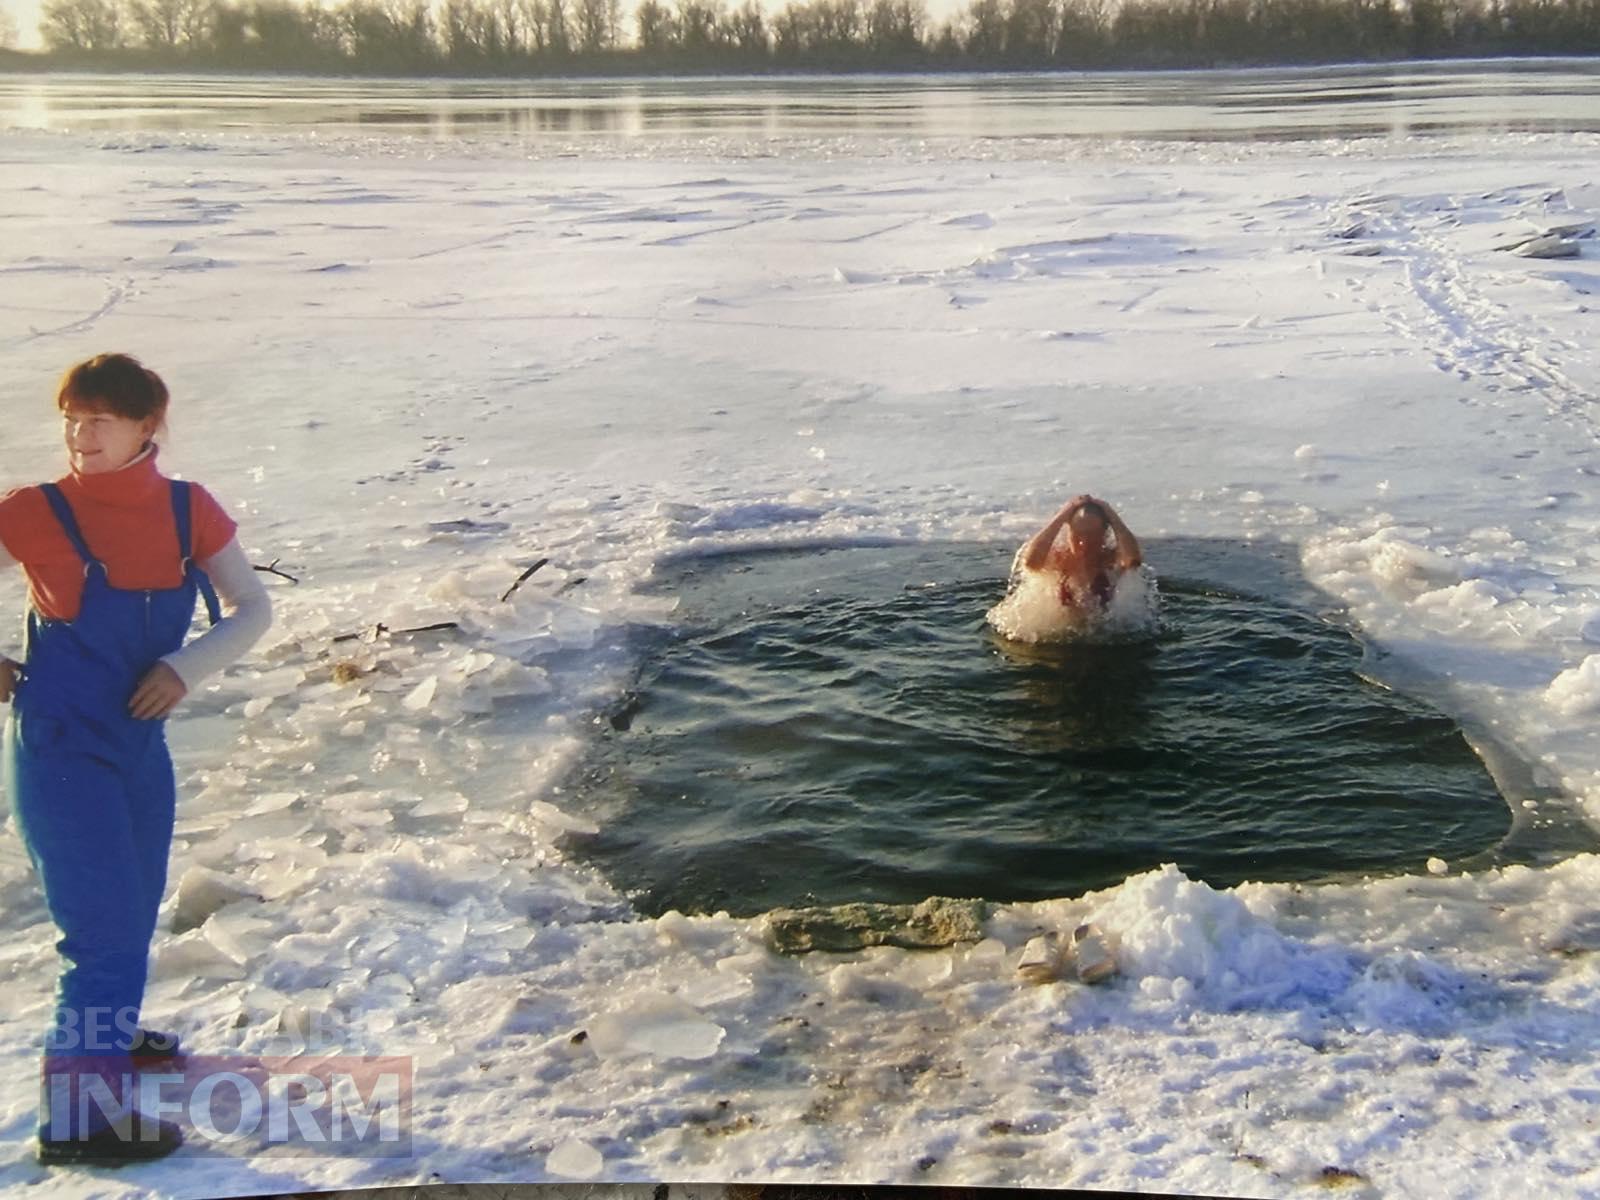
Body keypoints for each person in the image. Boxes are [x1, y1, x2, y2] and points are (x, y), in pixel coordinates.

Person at [0, 353, 272, 1164]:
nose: (80, 436)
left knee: (136, 906)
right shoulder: (34, 510)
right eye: (71, 420)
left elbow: (253, 609)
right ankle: (78, 1117)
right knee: (103, 931)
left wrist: (184, 669)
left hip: (138, 745)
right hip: (60, 745)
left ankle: (107, 1039)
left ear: (145, 427)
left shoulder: (189, 510)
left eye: (99, 420)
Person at [1013, 494, 1143, 614]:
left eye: (1092, 535)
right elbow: (1031, 562)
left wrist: (1111, 516)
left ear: (1105, 534)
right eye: (1078, 534)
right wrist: (1062, 516)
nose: (1084, 543)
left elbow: (1134, 560)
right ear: (1069, 531)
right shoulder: (1060, 559)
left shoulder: (1111, 559)